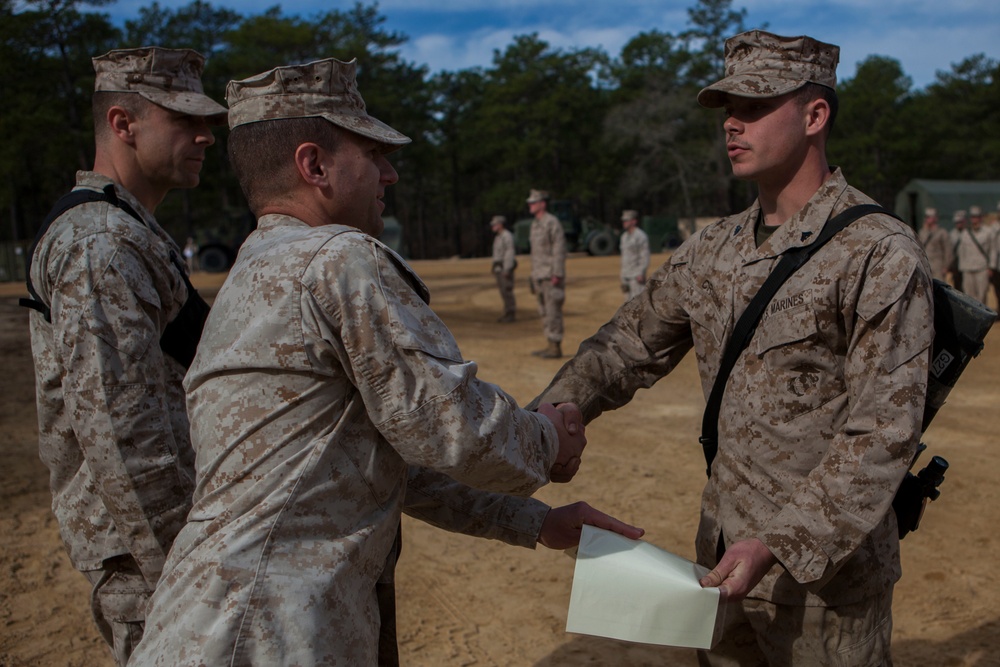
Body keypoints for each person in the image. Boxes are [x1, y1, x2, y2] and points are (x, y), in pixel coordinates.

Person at [131, 58, 642, 667]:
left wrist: (535, 524)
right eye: (372, 154)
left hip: (222, 624)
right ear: (313, 165)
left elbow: (385, 460)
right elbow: (456, 430)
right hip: (269, 634)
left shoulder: (258, 271)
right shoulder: (339, 261)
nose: (390, 173)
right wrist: (548, 437)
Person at [530, 30, 933, 665]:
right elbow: (622, 350)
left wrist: (776, 543)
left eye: (754, 107)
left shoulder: (877, 251)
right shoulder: (713, 250)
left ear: (814, 114)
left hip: (823, 587)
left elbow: (883, 432)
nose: (732, 125)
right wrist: (540, 426)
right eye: (727, 110)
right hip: (720, 562)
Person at [21, 47, 227, 666]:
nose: (204, 136)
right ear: (122, 123)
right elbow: (120, 435)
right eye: (183, 120)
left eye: (208, 123)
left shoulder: (126, 231)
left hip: (163, 543)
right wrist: (187, 574)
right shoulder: (100, 244)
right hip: (152, 555)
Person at [527, 189, 567, 358]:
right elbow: (535, 253)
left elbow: (559, 249)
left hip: (551, 276)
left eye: (533, 202)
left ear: (542, 203)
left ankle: (556, 345)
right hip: (539, 275)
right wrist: (533, 275)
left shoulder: (552, 222)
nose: (530, 205)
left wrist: (557, 272)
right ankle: (549, 343)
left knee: (553, 310)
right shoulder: (535, 224)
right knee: (544, 311)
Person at [954, 205, 993, 305]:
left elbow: (991, 250)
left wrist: (990, 267)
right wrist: (961, 268)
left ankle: (982, 319)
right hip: (967, 268)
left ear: (981, 218)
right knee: (969, 297)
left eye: (976, 217)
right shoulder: (965, 233)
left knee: (982, 295)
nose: (974, 219)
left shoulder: (988, 232)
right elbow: (961, 251)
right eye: (972, 217)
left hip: (982, 268)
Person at [490, 214, 517, 322]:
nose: (493, 226)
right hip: (498, 268)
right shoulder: (498, 237)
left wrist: (507, 268)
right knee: (503, 292)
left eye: (495, 224)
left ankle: (511, 313)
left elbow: (509, 253)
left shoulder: (507, 236)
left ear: (500, 225)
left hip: (504, 268)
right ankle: (507, 312)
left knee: (507, 291)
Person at [619, 209, 650, 300]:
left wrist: (641, 272)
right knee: (627, 304)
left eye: (626, 220)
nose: (624, 222)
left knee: (637, 303)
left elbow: (644, 256)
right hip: (626, 274)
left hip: (636, 277)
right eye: (623, 221)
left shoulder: (640, 236)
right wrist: (622, 275)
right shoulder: (624, 237)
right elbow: (624, 257)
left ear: (634, 221)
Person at [917, 207, 952, 281]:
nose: (928, 219)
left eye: (930, 217)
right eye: (927, 217)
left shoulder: (942, 233)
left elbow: (948, 251)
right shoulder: (922, 232)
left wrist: (946, 266)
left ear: (935, 218)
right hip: (925, 265)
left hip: (938, 266)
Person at [948, 210, 967, 290]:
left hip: (966, 263)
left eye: (960, 222)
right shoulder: (952, 234)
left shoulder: (968, 233)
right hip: (956, 264)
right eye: (957, 222)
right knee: (957, 287)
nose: (959, 224)